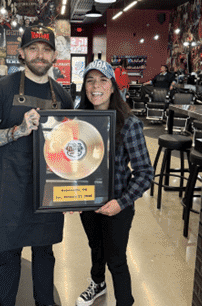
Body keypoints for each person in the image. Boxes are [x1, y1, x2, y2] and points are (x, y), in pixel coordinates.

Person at [0, 28, 73, 306]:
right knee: (9, 253)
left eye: (46, 50)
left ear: (54, 55)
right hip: (10, 184)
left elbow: (71, 147)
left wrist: (71, 189)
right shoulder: (2, 89)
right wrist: (16, 130)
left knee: (45, 251)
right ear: (22, 53)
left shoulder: (62, 95)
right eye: (33, 48)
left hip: (47, 187)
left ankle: (45, 303)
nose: (40, 55)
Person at [75, 60, 155, 306]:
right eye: (90, 80)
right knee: (95, 247)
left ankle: (125, 302)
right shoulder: (78, 122)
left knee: (116, 258)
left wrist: (121, 203)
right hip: (88, 200)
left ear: (112, 87)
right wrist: (67, 194)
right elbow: (71, 163)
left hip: (118, 203)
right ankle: (97, 284)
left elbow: (145, 173)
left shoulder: (129, 124)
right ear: (84, 87)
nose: (96, 86)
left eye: (102, 80)